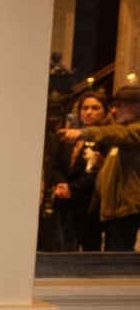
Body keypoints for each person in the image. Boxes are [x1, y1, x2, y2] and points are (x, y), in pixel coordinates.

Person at [60, 84, 140, 251]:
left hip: (126, 209)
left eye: (120, 106)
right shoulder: (123, 128)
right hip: (114, 208)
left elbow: (119, 133)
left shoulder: (133, 131)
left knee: (118, 261)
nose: (114, 111)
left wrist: (85, 132)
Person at [49, 90, 107, 251]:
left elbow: (96, 172)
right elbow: (56, 165)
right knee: (63, 247)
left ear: (104, 111)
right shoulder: (70, 136)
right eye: (85, 108)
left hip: (89, 203)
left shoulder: (105, 138)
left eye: (95, 108)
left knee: (89, 249)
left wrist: (71, 188)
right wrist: (60, 183)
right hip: (65, 201)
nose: (89, 112)